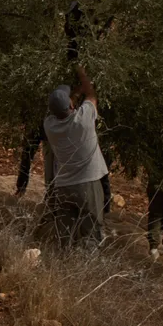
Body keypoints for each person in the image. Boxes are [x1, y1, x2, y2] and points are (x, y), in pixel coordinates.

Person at [41, 65, 108, 248]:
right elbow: (92, 96)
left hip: (63, 186)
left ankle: (64, 269)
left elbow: (65, 108)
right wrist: (82, 74)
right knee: (91, 234)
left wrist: (73, 95)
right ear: (71, 105)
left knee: (66, 237)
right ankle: (87, 272)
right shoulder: (84, 120)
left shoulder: (50, 126)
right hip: (88, 184)